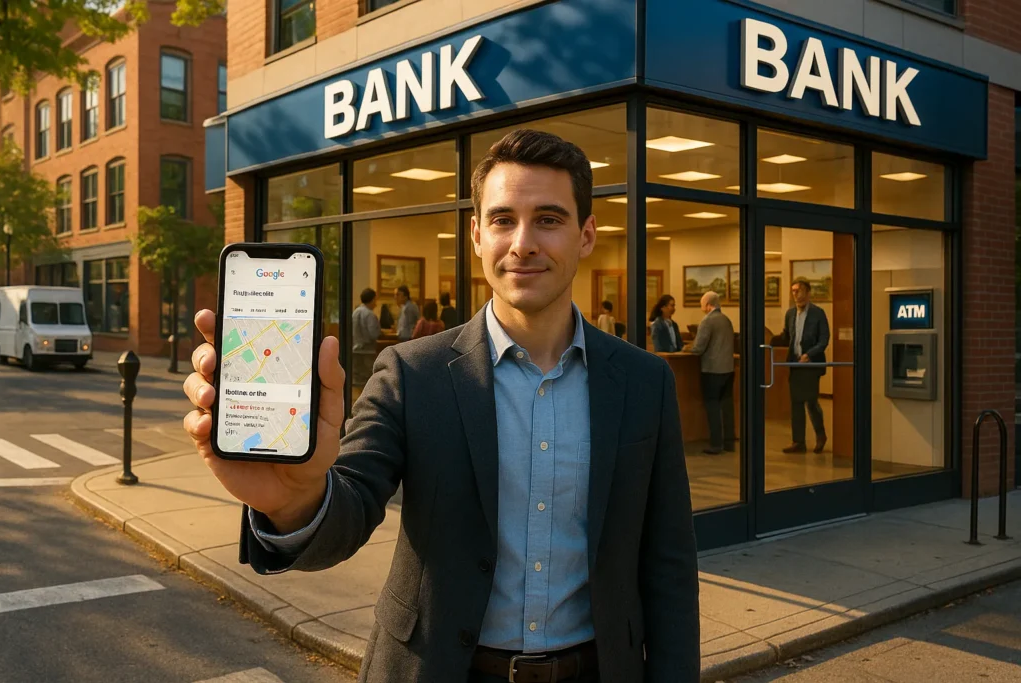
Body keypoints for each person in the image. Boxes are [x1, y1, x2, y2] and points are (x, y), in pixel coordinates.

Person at [182, 129, 699, 683]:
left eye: (548, 219)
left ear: (587, 235)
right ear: (477, 235)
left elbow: (667, 565)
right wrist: (295, 502)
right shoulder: (412, 373)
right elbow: (349, 507)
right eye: (503, 220)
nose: (523, 242)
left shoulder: (644, 381)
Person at [778, 278, 830, 454]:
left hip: (811, 364)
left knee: (811, 401)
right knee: (796, 402)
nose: (796, 294)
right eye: (793, 291)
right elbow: (787, 336)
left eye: (799, 291)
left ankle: (820, 435)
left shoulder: (818, 313)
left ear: (808, 293)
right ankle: (798, 441)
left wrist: (809, 354)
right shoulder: (790, 314)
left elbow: (824, 339)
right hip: (795, 363)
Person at [683, 291, 735, 455]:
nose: (701, 307)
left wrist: (686, 347)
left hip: (712, 370)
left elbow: (698, 348)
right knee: (726, 406)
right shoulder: (726, 320)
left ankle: (716, 444)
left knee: (712, 406)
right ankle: (729, 443)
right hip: (728, 368)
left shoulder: (707, 321)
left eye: (701, 304)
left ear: (708, 304)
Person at [351, 288, 381, 387]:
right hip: (367, 351)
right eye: (375, 300)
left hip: (355, 349)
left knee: (356, 378)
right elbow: (373, 334)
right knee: (367, 379)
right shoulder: (370, 314)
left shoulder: (355, 312)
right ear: (372, 300)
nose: (375, 303)